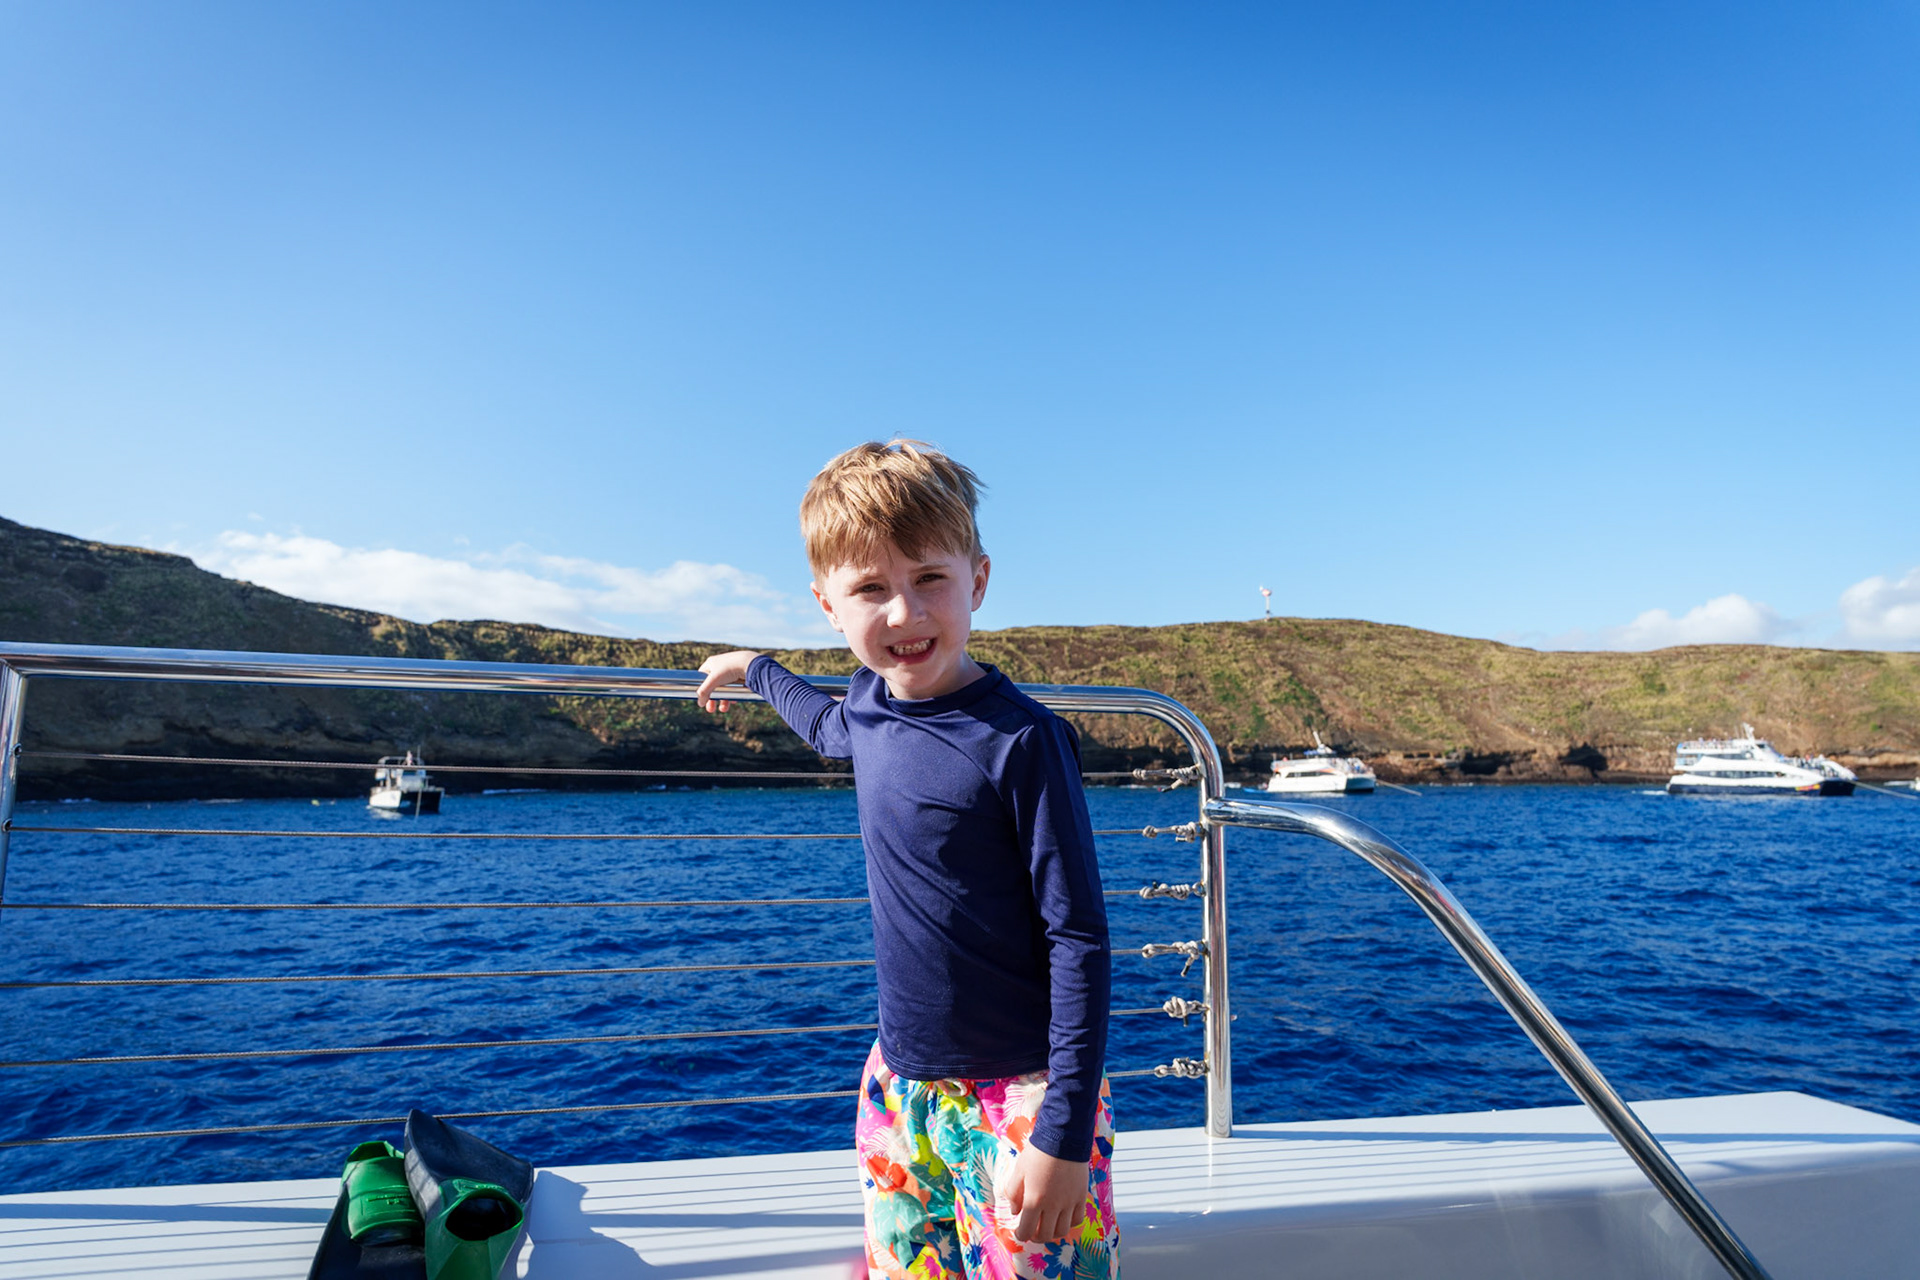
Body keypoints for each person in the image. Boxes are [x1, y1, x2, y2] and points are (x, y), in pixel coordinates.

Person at [694, 440, 1118, 1280]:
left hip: (1023, 1093)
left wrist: (1065, 1133)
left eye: (929, 579)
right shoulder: (866, 705)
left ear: (978, 581)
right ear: (828, 605)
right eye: (870, 590)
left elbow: (1079, 938)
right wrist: (755, 668)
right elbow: (824, 727)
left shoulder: (1023, 741)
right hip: (900, 1085)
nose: (903, 613)